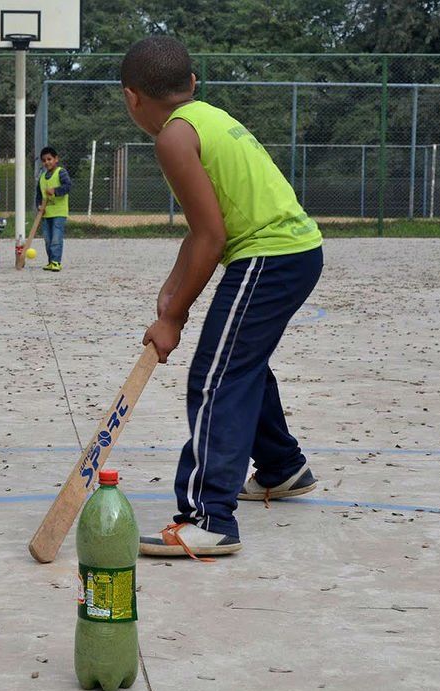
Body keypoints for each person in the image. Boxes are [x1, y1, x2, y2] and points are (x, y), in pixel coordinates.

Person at [121, 37, 324, 558]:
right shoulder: (207, 116)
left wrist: (175, 319)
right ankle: (283, 467)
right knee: (241, 364)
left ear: (131, 98)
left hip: (268, 256)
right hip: (296, 251)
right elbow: (201, 228)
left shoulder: (171, 138)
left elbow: (212, 236)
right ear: (191, 84)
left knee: (216, 376)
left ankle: (209, 517)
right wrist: (172, 290)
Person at [35, 147, 72, 272]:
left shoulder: (61, 172)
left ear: (56, 159)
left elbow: (68, 186)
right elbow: (39, 195)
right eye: (44, 160)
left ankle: (56, 261)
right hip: (46, 214)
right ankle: (51, 261)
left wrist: (55, 191)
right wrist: (39, 205)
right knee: (48, 239)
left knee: (56, 237)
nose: (47, 162)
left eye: (49, 159)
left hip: (59, 212)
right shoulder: (42, 177)